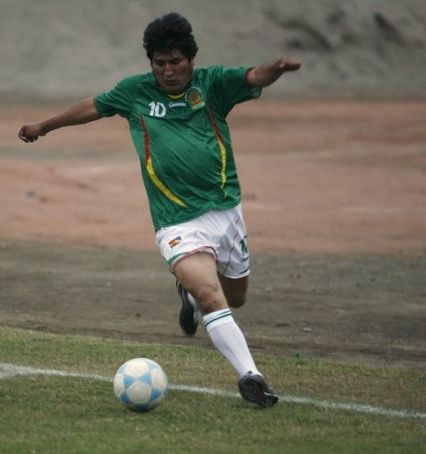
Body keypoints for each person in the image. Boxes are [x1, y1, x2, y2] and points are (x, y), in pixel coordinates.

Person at [18, 12, 301, 408]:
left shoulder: (213, 84)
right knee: (210, 294)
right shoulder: (135, 91)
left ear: (191, 59)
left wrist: (277, 69)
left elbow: (254, 77)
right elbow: (93, 106)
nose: (168, 71)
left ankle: (187, 290)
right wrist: (45, 125)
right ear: (151, 63)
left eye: (176, 62)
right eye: (160, 63)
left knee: (235, 298)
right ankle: (251, 376)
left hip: (225, 211)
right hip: (175, 219)